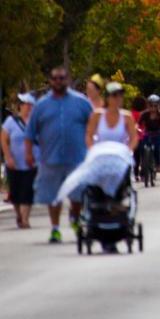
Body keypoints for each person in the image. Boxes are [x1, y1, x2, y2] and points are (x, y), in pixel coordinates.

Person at [26, 66, 94, 243]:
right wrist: (29, 154)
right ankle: (55, 228)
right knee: (53, 196)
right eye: (55, 78)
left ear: (68, 80)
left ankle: (75, 217)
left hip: (77, 159)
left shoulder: (82, 102)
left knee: (78, 195)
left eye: (62, 78)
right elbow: (30, 132)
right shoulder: (41, 106)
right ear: (50, 81)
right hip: (50, 159)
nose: (58, 82)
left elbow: (93, 127)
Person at [1, 93, 37, 229]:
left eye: (28, 105)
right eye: (23, 104)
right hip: (14, 164)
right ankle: (19, 215)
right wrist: (8, 157)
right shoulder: (11, 121)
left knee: (28, 192)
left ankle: (25, 218)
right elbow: (4, 139)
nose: (25, 107)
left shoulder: (36, 123)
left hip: (31, 163)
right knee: (15, 193)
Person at [87, 82, 138, 151]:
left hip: (120, 157)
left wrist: (127, 151)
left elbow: (134, 138)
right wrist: (94, 151)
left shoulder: (127, 116)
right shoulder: (97, 115)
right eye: (114, 95)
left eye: (121, 95)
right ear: (107, 98)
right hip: (100, 156)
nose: (118, 98)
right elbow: (89, 136)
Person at [136, 94, 160, 176]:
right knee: (143, 148)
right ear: (148, 105)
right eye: (151, 105)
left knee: (157, 149)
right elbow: (138, 124)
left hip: (158, 134)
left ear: (158, 106)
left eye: (155, 106)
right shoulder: (145, 114)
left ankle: (158, 165)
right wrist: (137, 129)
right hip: (147, 133)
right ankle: (144, 166)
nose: (153, 108)